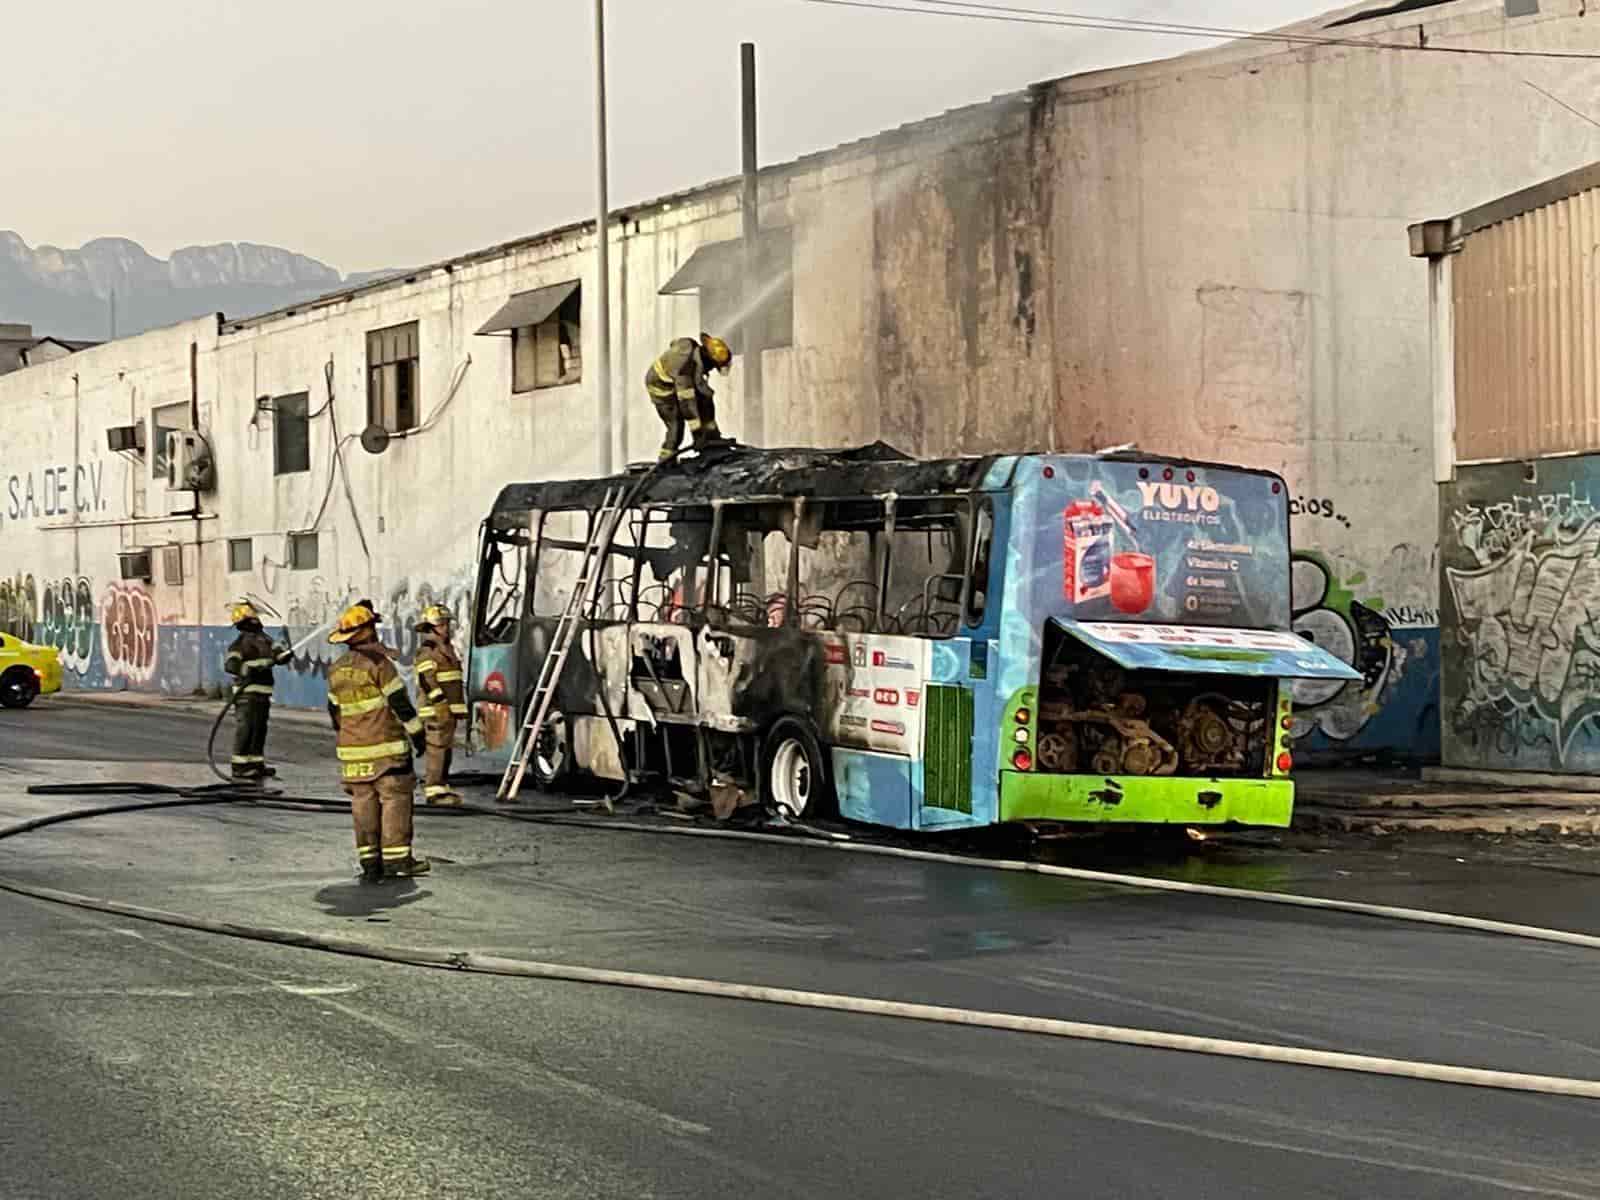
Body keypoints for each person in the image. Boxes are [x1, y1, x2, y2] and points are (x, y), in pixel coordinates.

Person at [325, 602, 430, 882]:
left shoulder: (336, 669)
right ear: (368, 631)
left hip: (352, 752)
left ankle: (370, 861)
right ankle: (397, 862)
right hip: (386, 752)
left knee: (363, 803)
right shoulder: (380, 665)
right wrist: (418, 735)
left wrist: (349, 736)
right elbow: (400, 705)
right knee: (395, 799)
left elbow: (334, 711)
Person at [222, 601, 291, 781]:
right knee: (246, 728)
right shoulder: (239, 644)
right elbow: (231, 665)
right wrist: (251, 668)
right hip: (246, 694)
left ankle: (256, 764)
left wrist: (284, 656)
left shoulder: (266, 639)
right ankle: (239, 767)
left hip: (263, 693)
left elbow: (278, 654)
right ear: (244, 623)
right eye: (253, 619)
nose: (257, 622)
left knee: (260, 729)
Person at [645, 332, 733, 462]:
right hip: (662, 389)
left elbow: (674, 343)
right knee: (676, 426)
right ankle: (666, 461)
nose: (711, 370)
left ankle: (713, 438)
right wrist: (697, 435)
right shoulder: (686, 370)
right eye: (714, 366)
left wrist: (711, 436)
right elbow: (687, 405)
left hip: (676, 380)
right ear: (708, 360)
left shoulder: (692, 349)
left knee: (705, 398)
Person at [413, 604, 467, 806]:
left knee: (445, 749)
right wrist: (440, 704)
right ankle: (434, 792)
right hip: (436, 710)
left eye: (447, 624)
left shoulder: (447, 648)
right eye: (442, 624)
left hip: (448, 709)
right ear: (430, 627)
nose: (447, 628)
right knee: (436, 749)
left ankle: (442, 787)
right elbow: (427, 681)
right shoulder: (428, 651)